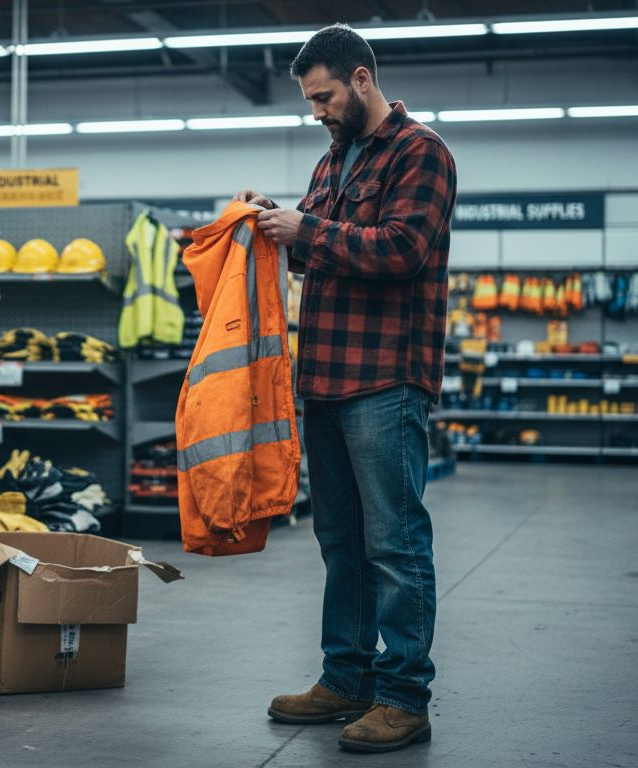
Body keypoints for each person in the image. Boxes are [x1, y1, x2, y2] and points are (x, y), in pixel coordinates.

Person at [236, 23, 457, 754]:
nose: (318, 111)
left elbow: (400, 250)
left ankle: (403, 696)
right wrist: (272, 222)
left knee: (394, 542)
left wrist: (309, 231)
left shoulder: (421, 152)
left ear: (362, 80)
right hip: (325, 380)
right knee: (341, 542)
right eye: (310, 101)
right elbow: (314, 257)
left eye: (325, 96)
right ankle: (346, 678)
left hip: (386, 379)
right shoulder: (333, 161)